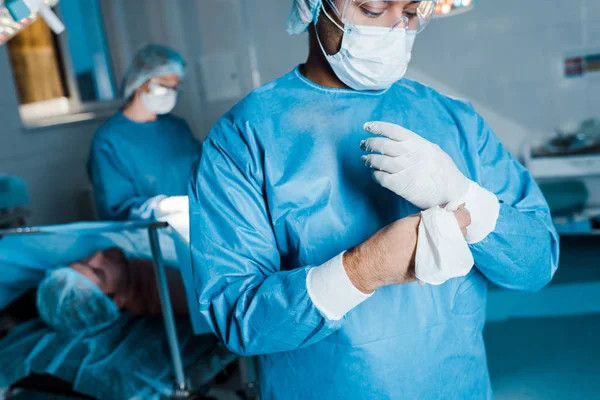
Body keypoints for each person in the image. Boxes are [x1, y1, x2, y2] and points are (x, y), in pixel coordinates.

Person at [188, 1, 559, 399]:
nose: (395, 28)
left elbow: (536, 264)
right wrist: (363, 270)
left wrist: (464, 196)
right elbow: (238, 318)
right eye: (372, 9)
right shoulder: (244, 138)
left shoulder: (455, 120)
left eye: (412, 12)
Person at [88, 44, 201, 222]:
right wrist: (163, 207)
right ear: (139, 82)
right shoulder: (109, 140)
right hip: (148, 240)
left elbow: (202, 173)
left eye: (174, 87)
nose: (169, 93)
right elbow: (116, 209)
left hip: (190, 229)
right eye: (163, 85)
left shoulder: (177, 128)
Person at [36, 247, 188, 335]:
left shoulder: (134, 267)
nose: (97, 255)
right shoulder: (169, 287)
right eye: (97, 272)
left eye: (83, 261)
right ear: (117, 301)